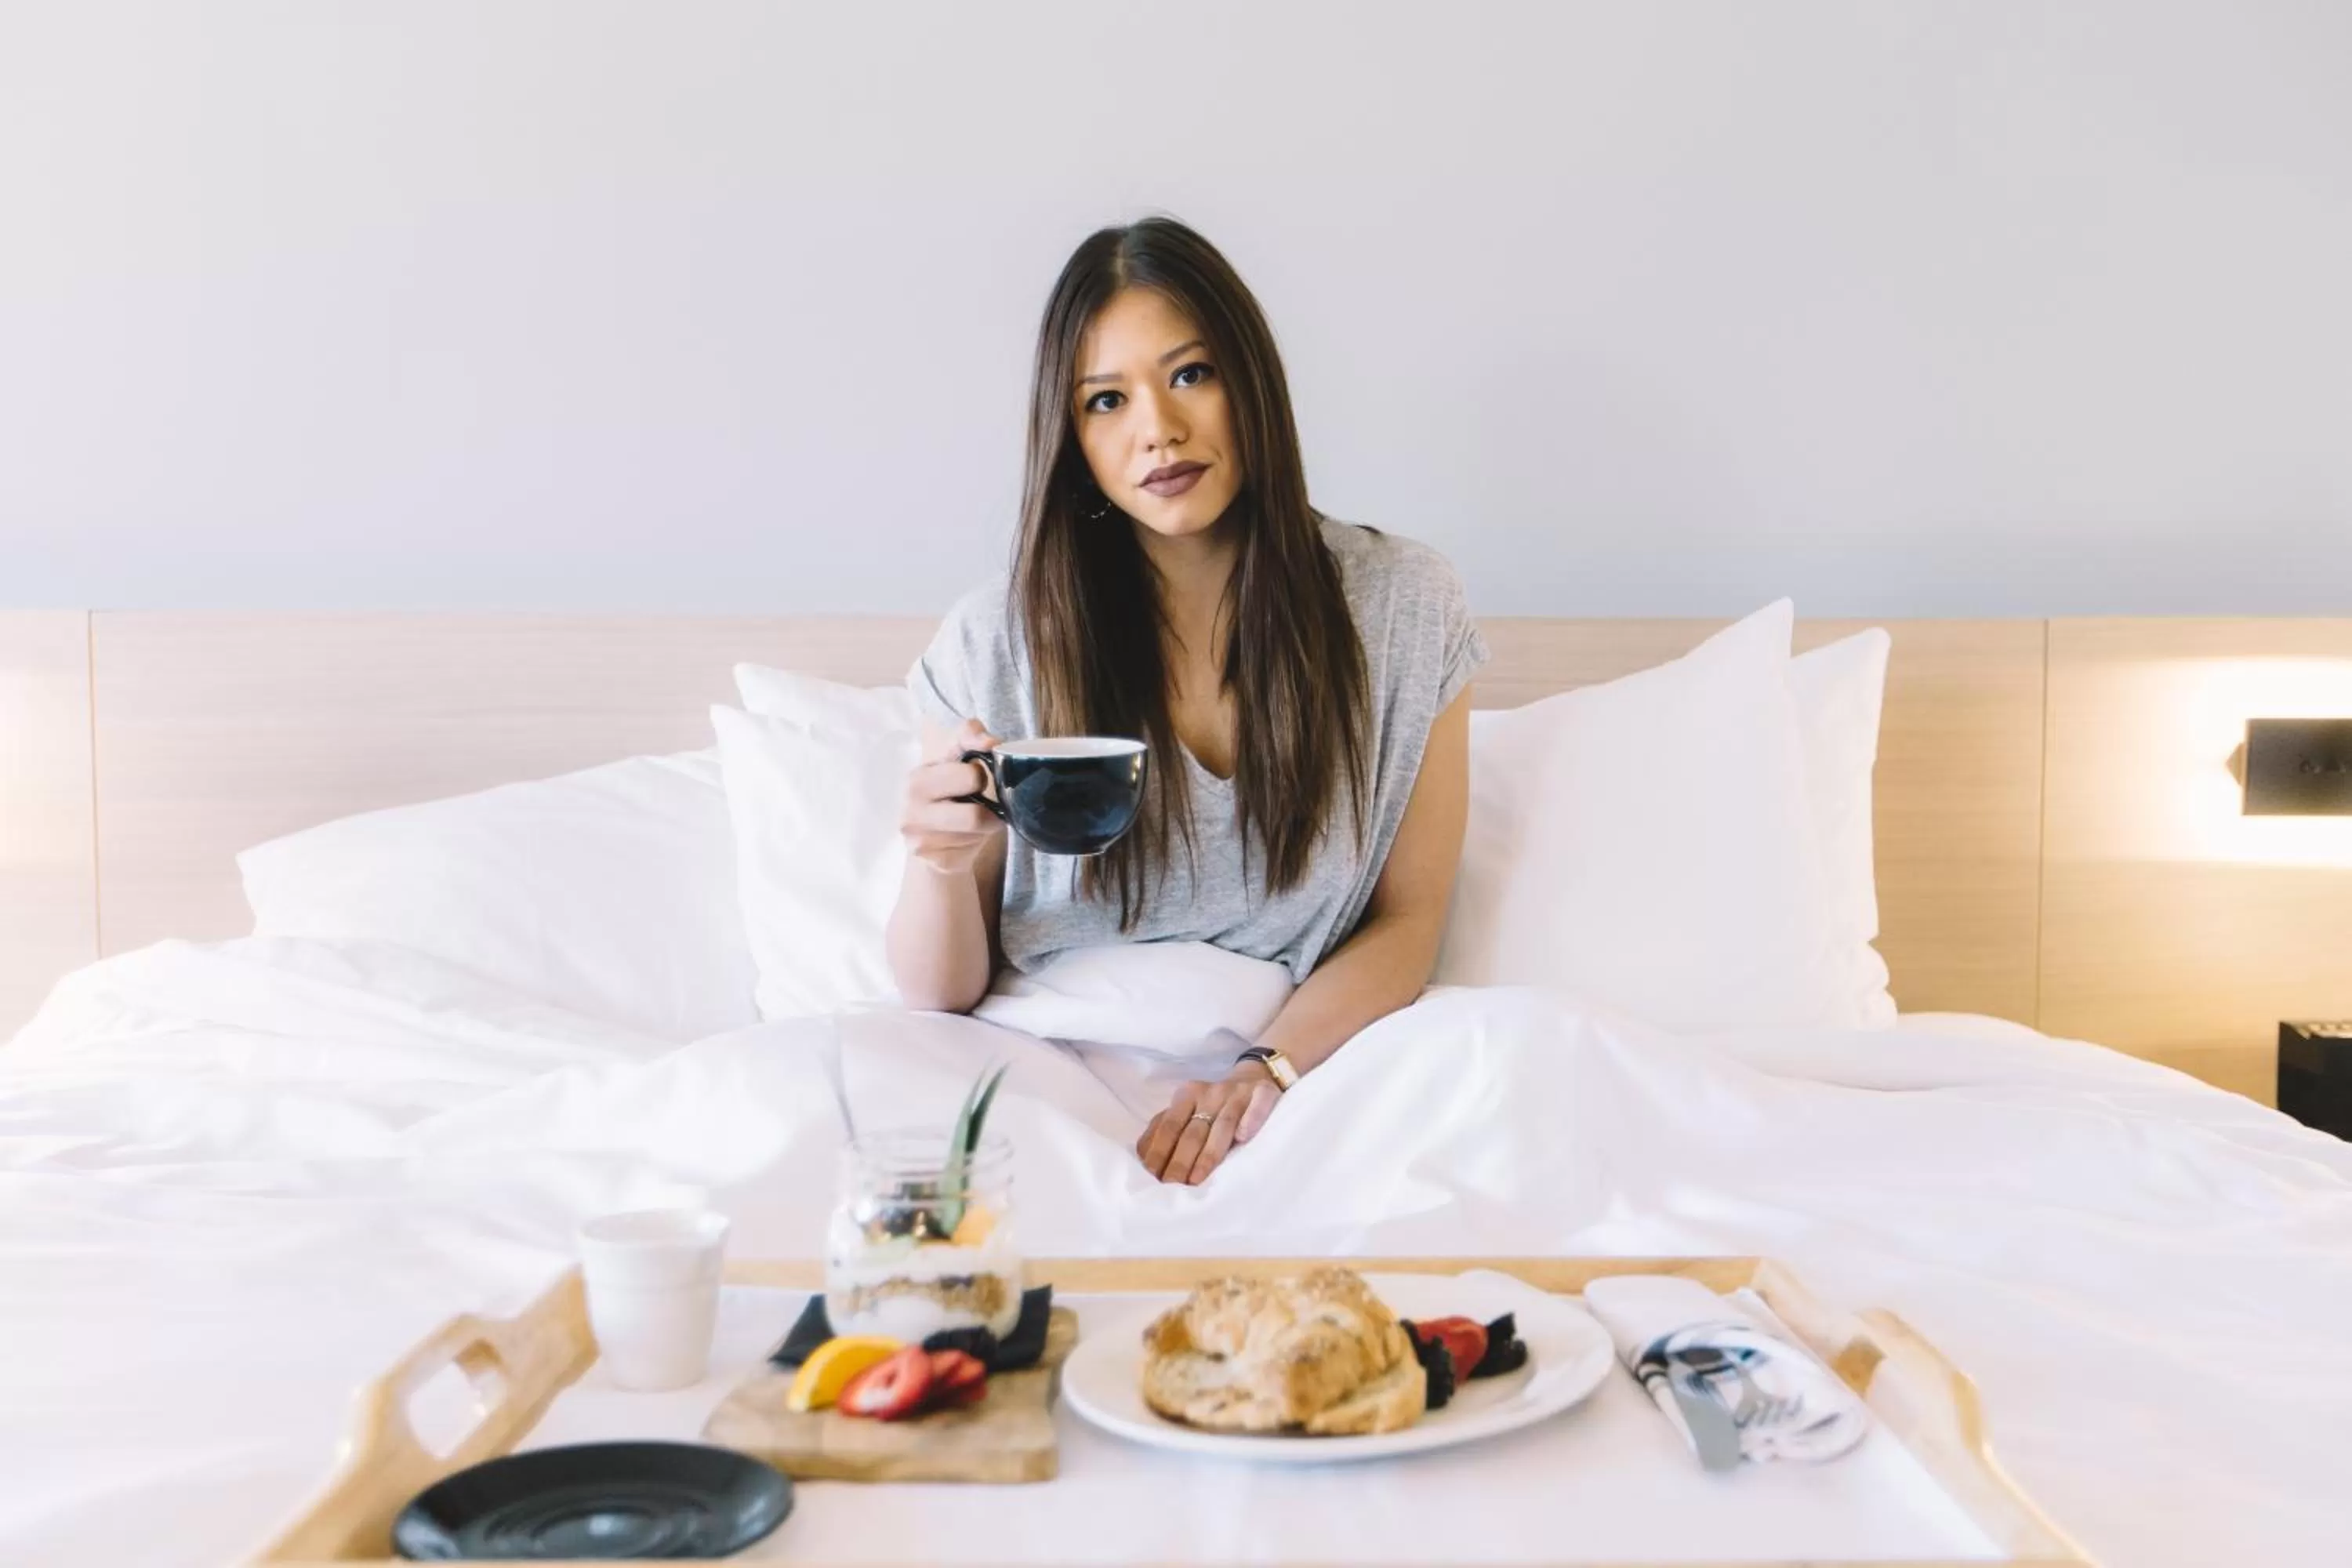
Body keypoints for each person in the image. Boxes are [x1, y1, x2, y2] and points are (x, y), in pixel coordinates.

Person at [887, 216, 1486, 1185]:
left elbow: (1409, 922)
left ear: (1251, 380)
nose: (1157, 428)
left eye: (1191, 374)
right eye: (1107, 400)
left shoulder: (1404, 608)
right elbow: (935, 991)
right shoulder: (994, 639)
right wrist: (939, 865)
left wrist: (1268, 1070)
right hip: (1044, 1071)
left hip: (1306, 1070)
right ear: (1072, 437)